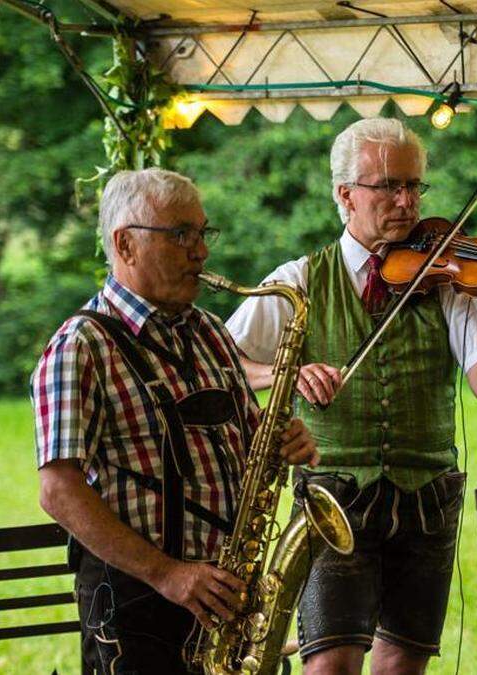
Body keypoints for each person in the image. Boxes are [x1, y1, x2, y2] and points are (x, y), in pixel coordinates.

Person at [225, 117, 477, 674]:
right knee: (330, 665)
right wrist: (285, 372)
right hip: (334, 498)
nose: (406, 201)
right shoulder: (301, 279)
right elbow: (222, 362)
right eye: (388, 186)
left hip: (426, 500)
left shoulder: (447, 275)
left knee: (402, 666)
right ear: (346, 195)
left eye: (414, 186)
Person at [32, 168, 317, 674]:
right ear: (126, 244)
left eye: (203, 233)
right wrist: (168, 574)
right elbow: (58, 492)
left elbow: (248, 442)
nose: (201, 251)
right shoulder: (81, 346)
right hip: (138, 608)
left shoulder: (208, 330)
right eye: (181, 234)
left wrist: (281, 443)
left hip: (225, 597)